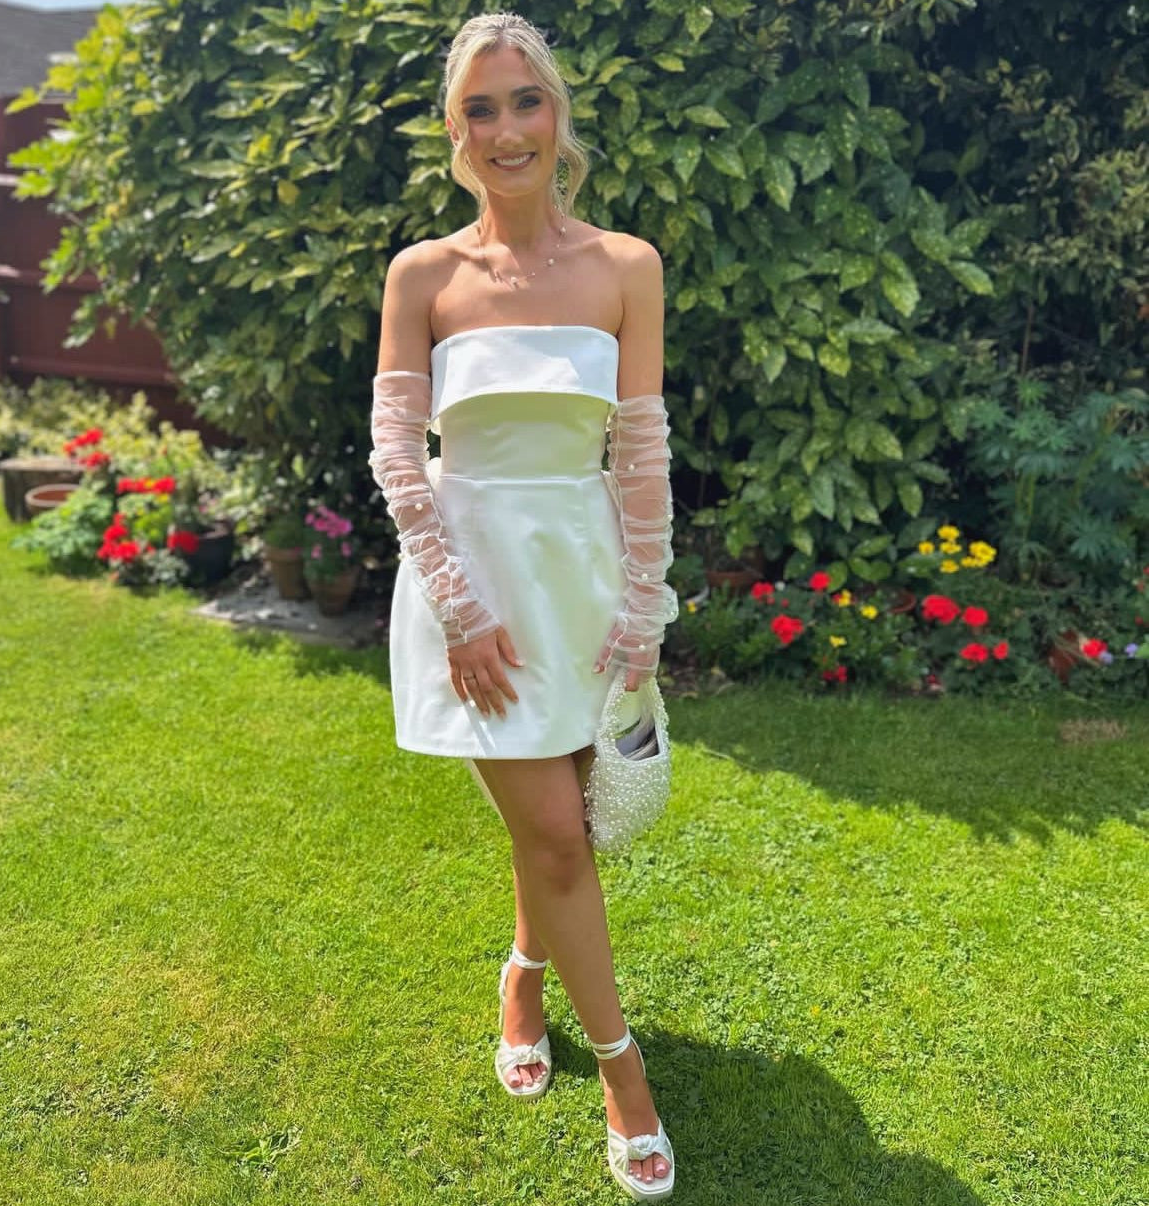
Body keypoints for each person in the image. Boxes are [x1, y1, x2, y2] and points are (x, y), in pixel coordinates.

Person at [368, 11, 679, 1200]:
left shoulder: (628, 266)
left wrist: (644, 604)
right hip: (473, 582)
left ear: (558, 114)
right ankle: (625, 1074)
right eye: (481, 108)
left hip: (583, 573)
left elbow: (638, 448)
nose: (507, 129)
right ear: (456, 131)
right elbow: (399, 452)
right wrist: (456, 606)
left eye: (525, 101)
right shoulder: (424, 275)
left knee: (570, 825)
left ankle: (525, 974)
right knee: (552, 829)